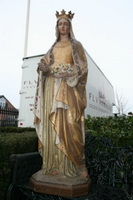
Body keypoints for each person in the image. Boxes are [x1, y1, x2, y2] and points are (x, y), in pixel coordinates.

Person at [34, 9, 88, 178]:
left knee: (70, 124)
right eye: (60, 24)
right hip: (51, 87)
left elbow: (83, 67)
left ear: (69, 27)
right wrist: (43, 68)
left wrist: (69, 72)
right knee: (52, 125)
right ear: (57, 27)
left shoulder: (76, 45)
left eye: (66, 23)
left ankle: (75, 166)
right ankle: (52, 165)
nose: (62, 26)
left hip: (68, 89)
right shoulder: (52, 48)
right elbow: (44, 64)